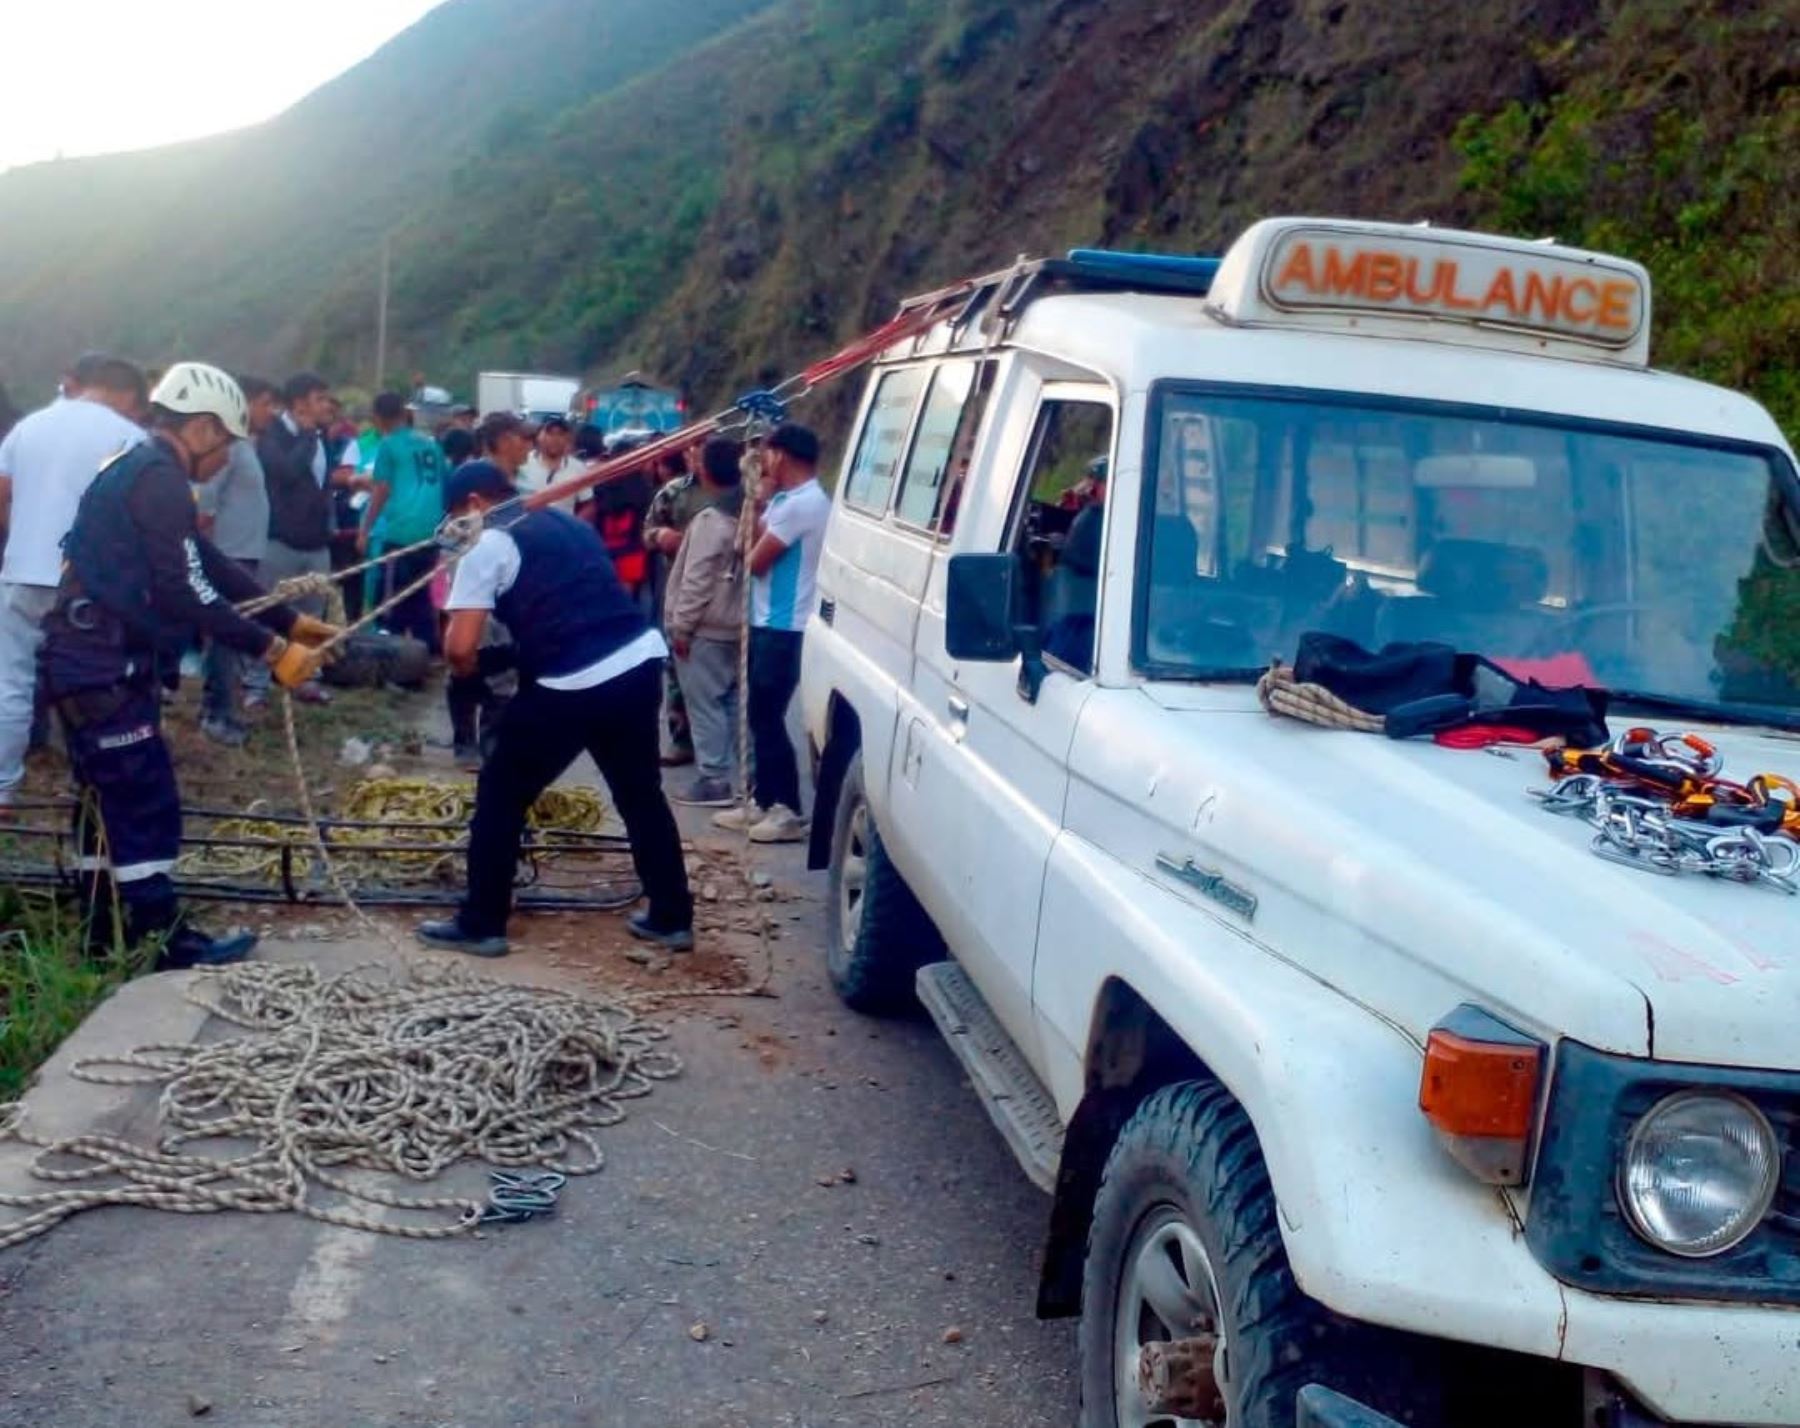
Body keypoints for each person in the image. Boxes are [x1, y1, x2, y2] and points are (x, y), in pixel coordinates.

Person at [38, 363, 336, 966]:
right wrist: (275, 652)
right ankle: (161, 938)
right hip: (104, 667)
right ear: (201, 430)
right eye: (225, 443)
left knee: (104, 798)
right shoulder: (160, 479)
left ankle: (102, 931)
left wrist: (286, 618)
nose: (225, 458)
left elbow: (201, 557)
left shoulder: (138, 467)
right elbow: (186, 591)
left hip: (85, 662)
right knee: (143, 798)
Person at [417, 461, 692, 957]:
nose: (458, 526)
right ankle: (672, 916)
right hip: (636, 662)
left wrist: (471, 680)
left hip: (572, 677)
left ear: (477, 503)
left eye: (459, 514)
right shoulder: (565, 521)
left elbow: (460, 647)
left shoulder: (487, 540)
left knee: (501, 789)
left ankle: (482, 921)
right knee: (639, 794)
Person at [0, 354, 147, 812]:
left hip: (24, 571)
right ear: (126, 395)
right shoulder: (129, 436)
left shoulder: (28, 428)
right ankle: (96, 783)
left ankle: (2, 787)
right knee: (95, 685)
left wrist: (25, 532)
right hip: (88, 586)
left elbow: (2, 495)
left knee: (10, 682)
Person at [714, 423, 831, 843]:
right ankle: (762, 800)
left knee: (767, 716)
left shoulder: (803, 504)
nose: (762, 462)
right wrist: (760, 504)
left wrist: (759, 506)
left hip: (785, 625)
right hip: (768, 621)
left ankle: (786, 808)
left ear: (781, 456)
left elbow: (754, 560)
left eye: (766, 454)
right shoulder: (791, 501)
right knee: (759, 715)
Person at [194, 375, 276, 746]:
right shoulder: (227, 448)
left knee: (233, 639)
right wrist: (204, 558)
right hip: (227, 555)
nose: (270, 412)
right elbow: (206, 504)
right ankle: (215, 713)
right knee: (223, 639)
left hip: (245, 553)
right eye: (264, 403)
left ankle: (225, 710)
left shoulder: (248, 445)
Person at [664, 438, 746, 807]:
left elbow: (696, 579)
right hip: (736, 624)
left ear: (706, 471)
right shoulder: (749, 513)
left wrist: (682, 627)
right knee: (727, 702)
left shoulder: (712, 521)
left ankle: (714, 778)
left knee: (705, 705)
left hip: (707, 627)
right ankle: (734, 774)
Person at [258, 373, 340, 704]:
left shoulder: (321, 437)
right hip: (280, 541)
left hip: (316, 542)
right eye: (320, 399)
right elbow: (286, 472)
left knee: (311, 618)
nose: (326, 405)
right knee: (269, 613)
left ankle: (304, 677)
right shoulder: (272, 435)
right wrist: (307, 435)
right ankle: (256, 684)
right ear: (300, 402)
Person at [641, 444, 717, 767]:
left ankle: (722, 748)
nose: (697, 456)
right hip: (680, 587)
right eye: (693, 450)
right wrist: (660, 536)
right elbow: (645, 533)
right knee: (677, 668)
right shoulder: (672, 492)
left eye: (704, 449)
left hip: (724, 591)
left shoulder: (733, 490)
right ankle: (681, 738)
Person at [359, 392, 445, 652]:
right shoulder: (431, 444)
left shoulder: (389, 444)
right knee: (419, 595)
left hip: (401, 532)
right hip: (430, 532)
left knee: (389, 600)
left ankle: (390, 656)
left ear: (377, 417)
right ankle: (427, 651)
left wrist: (365, 529)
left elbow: (381, 490)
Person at [517, 416, 583, 515]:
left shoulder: (578, 468)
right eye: (550, 433)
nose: (555, 439)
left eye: (561, 434)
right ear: (538, 436)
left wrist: (574, 526)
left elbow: (588, 504)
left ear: (567, 438)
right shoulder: (522, 463)